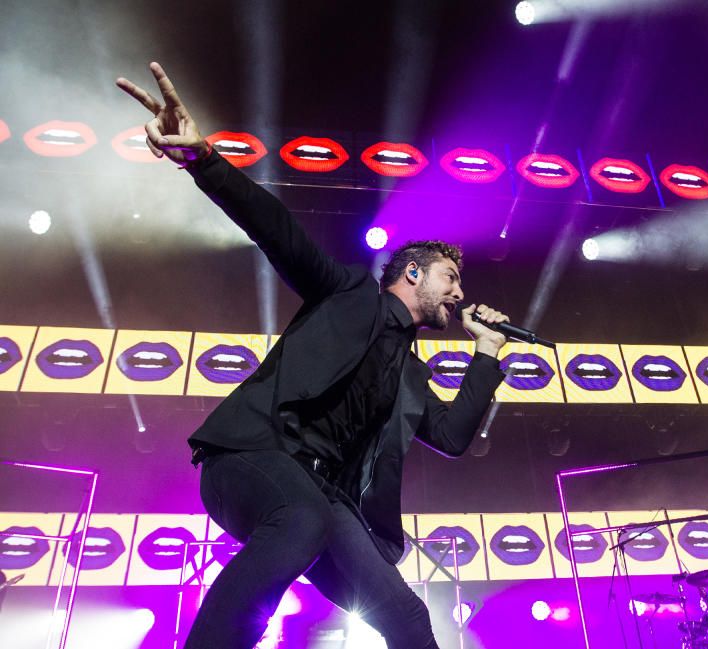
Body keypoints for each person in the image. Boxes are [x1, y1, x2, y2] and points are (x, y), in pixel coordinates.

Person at [116, 62, 510, 649]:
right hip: (253, 456)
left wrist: (485, 354)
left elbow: (451, 436)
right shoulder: (351, 293)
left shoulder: (408, 372)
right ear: (411, 272)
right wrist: (202, 158)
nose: (458, 292)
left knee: (405, 617)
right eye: (449, 277)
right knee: (301, 519)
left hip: (326, 497)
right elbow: (278, 230)